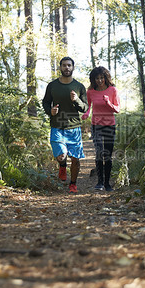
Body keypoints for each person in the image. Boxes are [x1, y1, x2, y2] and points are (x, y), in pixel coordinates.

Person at [42, 57, 88, 193]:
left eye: (69, 65)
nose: (66, 68)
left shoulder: (79, 87)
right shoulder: (52, 85)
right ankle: (62, 165)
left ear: (73, 67)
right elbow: (45, 102)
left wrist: (77, 100)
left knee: (75, 159)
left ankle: (73, 184)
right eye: (64, 65)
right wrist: (50, 111)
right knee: (62, 156)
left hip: (74, 128)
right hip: (57, 126)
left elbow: (85, 108)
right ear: (60, 67)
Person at [83, 66, 120, 191]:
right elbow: (88, 106)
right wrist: (86, 113)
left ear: (106, 78)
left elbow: (117, 109)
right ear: (93, 79)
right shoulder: (90, 92)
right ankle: (99, 182)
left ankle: (107, 183)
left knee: (108, 155)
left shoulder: (112, 90)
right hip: (96, 125)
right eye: (97, 78)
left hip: (109, 125)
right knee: (99, 152)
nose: (99, 80)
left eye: (102, 78)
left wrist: (108, 103)